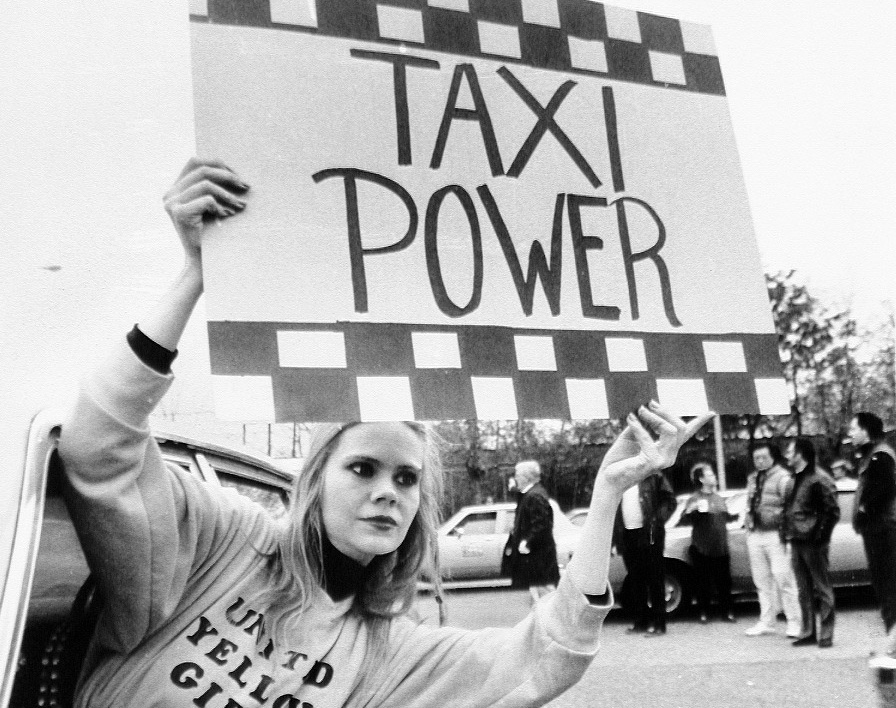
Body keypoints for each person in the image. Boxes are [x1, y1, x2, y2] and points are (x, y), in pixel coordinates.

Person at [57, 158, 715, 708]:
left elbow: (548, 658)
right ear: (314, 480)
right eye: (363, 468)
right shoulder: (219, 539)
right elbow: (99, 450)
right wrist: (198, 273)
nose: (388, 493)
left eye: (406, 478)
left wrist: (607, 492)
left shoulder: (392, 653)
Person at [783, 438, 840, 648]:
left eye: (790, 450)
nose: (787, 454)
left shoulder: (819, 479)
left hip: (813, 543)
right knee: (803, 589)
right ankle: (807, 632)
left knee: (822, 588)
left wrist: (820, 537)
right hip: (797, 540)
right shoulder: (794, 479)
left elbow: (832, 511)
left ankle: (826, 635)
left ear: (800, 453)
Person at [743, 441, 802, 638]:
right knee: (761, 581)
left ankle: (794, 623)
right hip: (756, 533)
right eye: (756, 458)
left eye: (763, 457)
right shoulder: (753, 478)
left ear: (773, 457)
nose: (759, 461)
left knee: (784, 579)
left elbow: (793, 507)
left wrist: (783, 525)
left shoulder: (783, 478)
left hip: (776, 535)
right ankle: (767, 621)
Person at [613, 467, 676, 636]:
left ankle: (659, 624)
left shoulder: (653, 475)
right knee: (635, 580)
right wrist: (614, 539)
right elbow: (612, 510)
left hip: (650, 533)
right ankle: (641, 621)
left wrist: (657, 520)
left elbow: (669, 500)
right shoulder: (620, 479)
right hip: (627, 535)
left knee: (655, 579)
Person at [850, 411, 896, 631]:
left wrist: (864, 510)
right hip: (876, 529)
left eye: (853, 429)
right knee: (884, 587)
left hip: (883, 529)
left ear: (865, 430)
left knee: (888, 587)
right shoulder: (870, 454)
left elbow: (886, 489)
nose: (850, 433)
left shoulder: (881, 455)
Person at [683, 461, 735, 623]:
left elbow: (726, 518)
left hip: (720, 547)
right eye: (710, 474)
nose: (714, 477)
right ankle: (704, 611)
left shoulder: (719, 498)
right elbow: (687, 519)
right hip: (702, 548)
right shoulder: (694, 498)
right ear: (701, 479)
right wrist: (692, 511)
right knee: (702, 582)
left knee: (724, 582)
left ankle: (726, 611)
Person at [503, 460, 560, 604]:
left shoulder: (534, 496)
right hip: (536, 558)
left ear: (526, 477)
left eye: (517, 475)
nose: (515, 478)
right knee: (538, 593)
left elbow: (542, 525)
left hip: (537, 557)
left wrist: (527, 542)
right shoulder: (532, 493)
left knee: (545, 594)